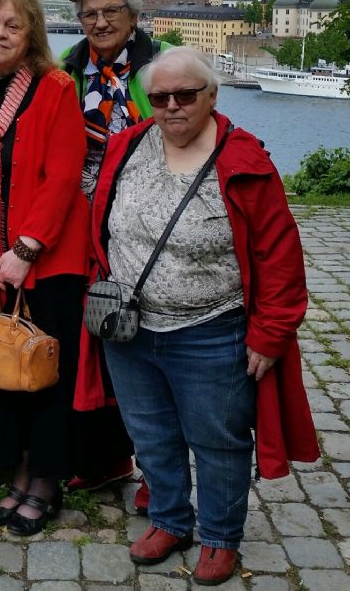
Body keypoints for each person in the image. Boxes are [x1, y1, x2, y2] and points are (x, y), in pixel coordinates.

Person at [91, 47, 319, 586]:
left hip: (211, 330)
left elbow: (279, 256)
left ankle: (220, 537)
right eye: (160, 97)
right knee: (150, 434)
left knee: (217, 440)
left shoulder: (244, 161)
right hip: (129, 328)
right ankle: (170, 519)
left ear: (212, 96)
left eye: (185, 95)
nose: (171, 106)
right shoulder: (128, 146)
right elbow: (101, 219)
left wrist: (269, 335)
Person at [0, 0, 88, 536]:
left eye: (13, 25)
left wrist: (26, 249)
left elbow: (63, 175)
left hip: (46, 263)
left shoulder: (56, 89)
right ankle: (14, 467)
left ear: (32, 34)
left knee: (44, 373)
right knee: (1, 369)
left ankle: (44, 476)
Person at [62, 0, 165, 501]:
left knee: (148, 343)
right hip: (84, 221)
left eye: (111, 12)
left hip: (150, 217)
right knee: (95, 339)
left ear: (134, 15)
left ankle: (158, 471)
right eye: (89, 14)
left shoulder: (162, 64)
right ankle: (106, 458)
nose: (99, 22)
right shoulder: (69, 69)